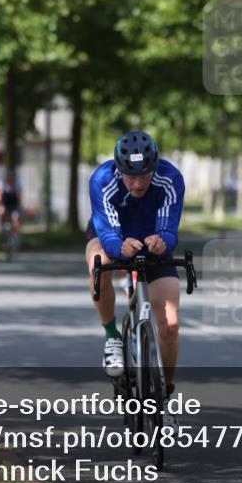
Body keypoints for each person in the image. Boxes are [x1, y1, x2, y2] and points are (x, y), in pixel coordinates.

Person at [85, 131, 185, 421]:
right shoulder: (102, 180)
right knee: (98, 264)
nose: (138, 183)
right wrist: (119, 247)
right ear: (119, 168)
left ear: (155, 167)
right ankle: (112, 336)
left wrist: (163, 240)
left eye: (145, 175)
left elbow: (170, 227)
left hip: (153, 240)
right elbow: (106, 231)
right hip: (113, 236)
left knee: (170, 324)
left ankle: (164, 398)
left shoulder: (171, 178)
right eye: (131, 176)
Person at [0, 172, 22, 242]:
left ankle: (15, 234)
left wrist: (19, 207)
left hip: (14, 204)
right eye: (8, 179)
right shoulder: (1, 184)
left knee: (15, 218)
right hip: (4, 203)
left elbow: (19, 196)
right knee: (1, 211)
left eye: (11, 179)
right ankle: (3, 228)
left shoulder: (17, 184)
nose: (10, 181)